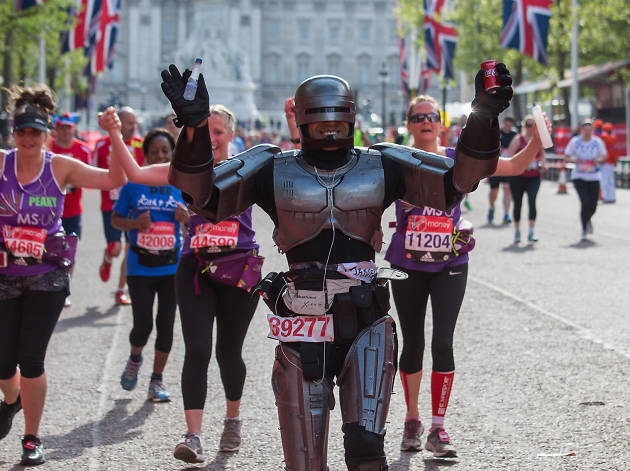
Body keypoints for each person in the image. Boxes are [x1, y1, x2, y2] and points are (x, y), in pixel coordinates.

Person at [159, 60, 514, 470]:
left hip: (364, 319)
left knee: (367, 453)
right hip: (303, 321)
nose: (329, 131)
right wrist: (193, 129)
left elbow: (460, 180)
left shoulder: (382, 163)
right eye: (321, 122)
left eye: (335, 122)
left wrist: (484, 116)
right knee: (305, 462)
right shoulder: (272, 166)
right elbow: (202, 196)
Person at [385, 95, 550, 458]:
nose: (426, 121)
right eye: (418, 117)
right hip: (407, 264)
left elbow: (514, 166)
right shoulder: (396, 160)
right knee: (412, 344)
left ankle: (438, 428)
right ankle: (412, 420)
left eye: (432, 116)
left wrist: (537, 141)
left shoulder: (458, 158)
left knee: (443, 343)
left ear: (441, 123)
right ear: (409, 124)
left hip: (451, 263)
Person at [102, 104, 262, 462]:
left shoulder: (247, 169)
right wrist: (114, 132)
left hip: (238, 267)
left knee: (229, 352)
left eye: (218, 132)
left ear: (231, 135)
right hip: (195, 268)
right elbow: (135, 173)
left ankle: (232, 420)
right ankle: (193, 435)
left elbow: (292, 179)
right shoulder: (183, 170)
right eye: (205, 133)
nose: (212, 139)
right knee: (197, 349)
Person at [0, 85, 125, 466]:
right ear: (13, 133)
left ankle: (31, 438)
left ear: (47, 134)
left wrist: (114, 134)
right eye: (21, 132)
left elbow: (113, 180)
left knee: (31, 359)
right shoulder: (2, 164)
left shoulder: (60, 167)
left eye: (35, 132)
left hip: (47, 275)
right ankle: (12, 399)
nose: (27, 139)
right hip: (5, 273)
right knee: (3, 362)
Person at [107, 127, 188, 402]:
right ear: (146, 156)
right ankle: (135, 357)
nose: (160, 156)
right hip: (140, 266)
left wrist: (186, 219)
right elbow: (115, 219)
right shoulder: (133, 185)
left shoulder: (182, 186)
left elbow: (196, 226)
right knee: (142, 325)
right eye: (154, 152)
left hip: (171, 267)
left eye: (165, 151)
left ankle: (156, 380)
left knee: (166, 325)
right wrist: (134, 223)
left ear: (173, 154)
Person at [94, 106, 144, 305]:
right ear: (119, 123)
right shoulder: (102, 144)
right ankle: (107, 256)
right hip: (111, 204)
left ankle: (120, 290)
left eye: (135, 122)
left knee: (130, 248)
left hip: (134, 204)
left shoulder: (140, 144)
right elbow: (95, 172)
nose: (134, 126)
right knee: (115, 249)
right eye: (130, 123)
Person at [49, 112, 91, 307]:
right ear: (56, 129)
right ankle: (47, 287)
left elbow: (89, 178)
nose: (66, 132)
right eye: (62, 128)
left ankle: (64, 289)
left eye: (69, 128)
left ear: (74, 129)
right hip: (49, 212)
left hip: (73, 211)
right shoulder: (48, 147)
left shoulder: (82, 149)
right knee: (48, 253)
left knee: (68, 253)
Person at [564, 119, 607, 241]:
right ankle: (584, 229)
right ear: (582, 130)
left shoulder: (597, 142)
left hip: (594, 176)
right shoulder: (575, 141)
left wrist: (598, 160)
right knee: (585, 201)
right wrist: (575, 160)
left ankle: (587, 219)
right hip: (579, 176)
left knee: (593, 204)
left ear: (592, 130)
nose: (588, 132)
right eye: (585, 129)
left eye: (590, 129)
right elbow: (566, 156)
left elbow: (604, 156)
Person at [505, 115, 546, 244]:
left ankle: (531, 231)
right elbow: (509, 156)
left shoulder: (538, 140)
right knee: (518, 203)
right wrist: (522, 162)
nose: (530, 128)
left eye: (533, 125)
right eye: (528, 125)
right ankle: (517, 231)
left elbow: (542, 157)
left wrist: (541, 164)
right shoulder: (518, 139)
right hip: (518, 176)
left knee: (532, 201)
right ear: (524, 126)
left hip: (533, 176)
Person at [487, 116, 516, 224]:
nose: (508, 125)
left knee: (507, 188)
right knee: (494, 191)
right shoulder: (496, 133)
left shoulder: (515, 135)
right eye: (506, 123)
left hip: (508, 166)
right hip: (495, 166)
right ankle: (491, 207)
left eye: (510, 124)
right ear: (503, 123)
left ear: (512, 124)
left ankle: (506, 214)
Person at [600, 122, 618, 203]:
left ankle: (606, 197)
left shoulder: (604, 136)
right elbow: (615, 151)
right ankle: (612, 197)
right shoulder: (613, 137)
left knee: (605, 180)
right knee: (611, 181)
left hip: (605, 161)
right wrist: (616, 159)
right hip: (611, 162)